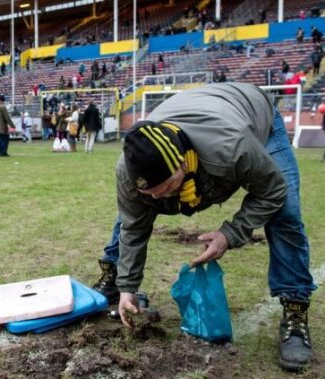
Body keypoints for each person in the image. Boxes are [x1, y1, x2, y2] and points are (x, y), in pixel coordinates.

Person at [92, 82, 316, 372]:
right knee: (131, 214)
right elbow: (133, 227)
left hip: (255, 116)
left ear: (183, 163)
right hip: (203, 109)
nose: (159, 197)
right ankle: (114, 281)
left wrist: (230, 234)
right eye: (151, 192)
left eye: (167, 187)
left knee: (285, 214)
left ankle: (295, 309)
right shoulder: (130, 168)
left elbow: (272, 190)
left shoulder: (232, 147)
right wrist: (128, 287)